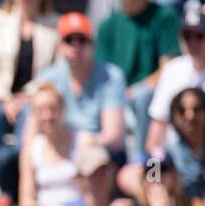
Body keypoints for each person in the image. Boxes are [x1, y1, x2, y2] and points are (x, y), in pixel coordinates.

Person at [0, 0, 59, 186]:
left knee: (29, 117)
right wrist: (6, 98)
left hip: (33, 98)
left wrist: (27, 95)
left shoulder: (53, 24)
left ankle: (22, 182)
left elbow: (54, 72)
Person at [25, 12, 127, 164]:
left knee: (92, 160)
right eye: (69, 40)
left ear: (92, 45)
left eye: (82, 40)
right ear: (60, 46)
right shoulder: (48, 78)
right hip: (57, 146)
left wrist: (83, 142)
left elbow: (114, 137)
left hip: (97, 149)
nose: (76, 46)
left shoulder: (111, 76)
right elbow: (32, 127)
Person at [96, 0, 180, 161]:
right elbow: (101, 74)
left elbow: (167, 68)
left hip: (155, 105)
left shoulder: (164, 17)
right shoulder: (108, 25)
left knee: (143, 99)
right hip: (116, 103)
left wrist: (134, 91)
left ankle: (143, 165)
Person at [145, 3, 205, 161]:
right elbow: (156, 133)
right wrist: (154, 177)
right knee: (131, 174)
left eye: (199, 36)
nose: (193, 43)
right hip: (177, 155)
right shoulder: (173, 69)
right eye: (187, 36)